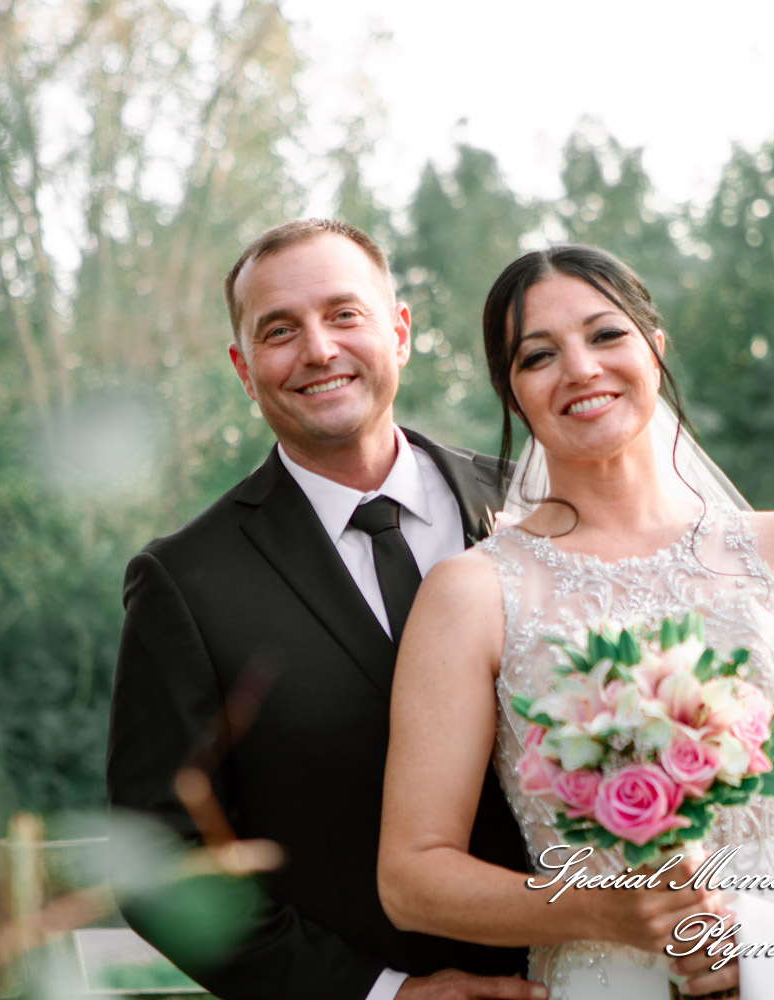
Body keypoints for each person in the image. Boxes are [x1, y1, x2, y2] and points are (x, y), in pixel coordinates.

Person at [378, 245, 774, 998]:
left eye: (606, 335)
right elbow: (413, 875)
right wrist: (608, 914)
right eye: (539, 356)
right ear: (513, 394)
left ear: (654, 350)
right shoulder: (472, 593)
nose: (581, 369)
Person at [107, 219, 552, 1000]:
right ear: (245, 370)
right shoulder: (184, 583)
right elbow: (159, 869)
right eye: (280, 331)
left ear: (399, 331)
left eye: (344, 314)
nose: (318, 350)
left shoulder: (537, 503)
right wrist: (382, 995)